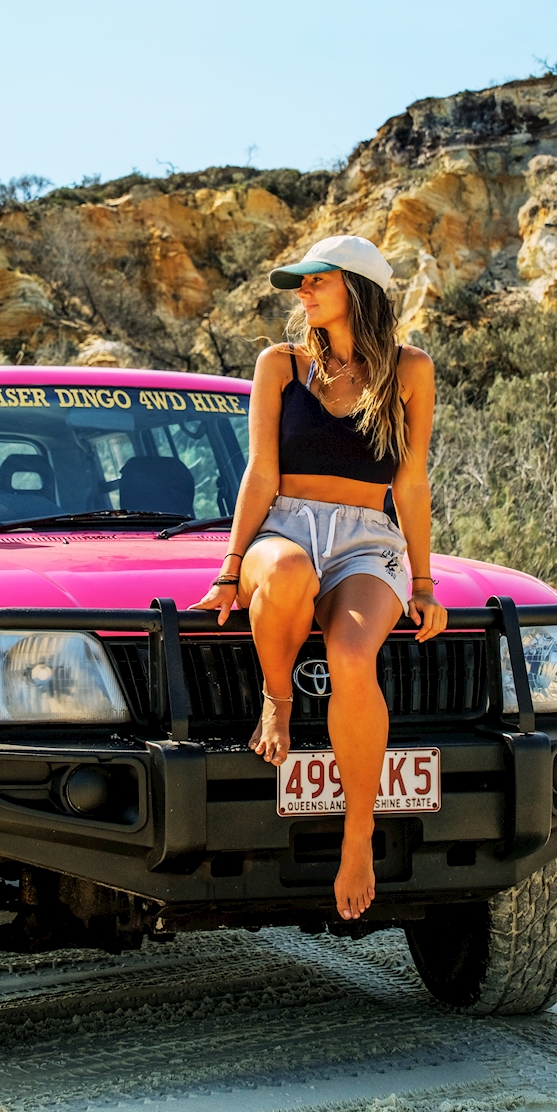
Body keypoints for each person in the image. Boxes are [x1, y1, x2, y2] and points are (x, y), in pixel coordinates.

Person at [193, 234, 447, 923]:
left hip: (368, 538)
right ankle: (278, 698)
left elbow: (412, 482)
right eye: (299, 283)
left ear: (357, 288)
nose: (301, 291)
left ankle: (358, 832)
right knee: (289, 571)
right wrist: (227, 566)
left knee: (352, 655)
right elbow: (260, 474)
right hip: (286, 529)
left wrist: (422, 584)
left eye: (315, 279)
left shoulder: (410, 371)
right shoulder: (281, 365)